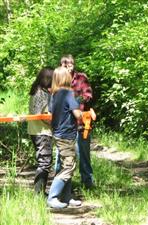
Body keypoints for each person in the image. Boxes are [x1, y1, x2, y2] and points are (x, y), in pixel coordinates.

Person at [47, 67, 82, 209]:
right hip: (66, 135)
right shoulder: (69, 94)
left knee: (66, 163)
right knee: (69, 166)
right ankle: (53, 197)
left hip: (58, 134)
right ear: (66, 78)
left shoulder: (54, 95)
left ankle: (66, 196)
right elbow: (77, 114)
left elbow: (51, 112)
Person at [59, 54, 94, 189]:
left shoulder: (81, 78)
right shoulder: (58, 79)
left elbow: (88, 95)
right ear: (61, 66)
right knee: (61, 157)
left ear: (73, 65)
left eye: (70, 65)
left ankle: (88, 183)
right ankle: (63, 186)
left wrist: (73, 102)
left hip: (80, 123)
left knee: (83, 154)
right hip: (63, 125)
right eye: (65, 65)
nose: (68, 68)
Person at [28, 67, 53, 195]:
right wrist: (53, 122)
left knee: (44, 161)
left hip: (36, 130)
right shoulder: (41, 93)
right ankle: (38, 193)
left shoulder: (37, 90)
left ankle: (41, 192)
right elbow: (38, 114)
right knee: (44, 162)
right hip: (41, 131)